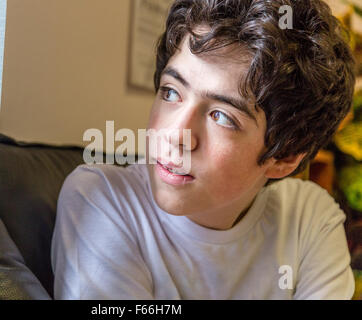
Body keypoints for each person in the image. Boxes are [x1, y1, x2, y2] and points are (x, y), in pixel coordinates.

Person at [51, 0, 356, 299]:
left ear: (285, 157)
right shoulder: (101, 198)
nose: (175, 135)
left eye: (222, 116)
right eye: (171, 92)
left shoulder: (308, 220)